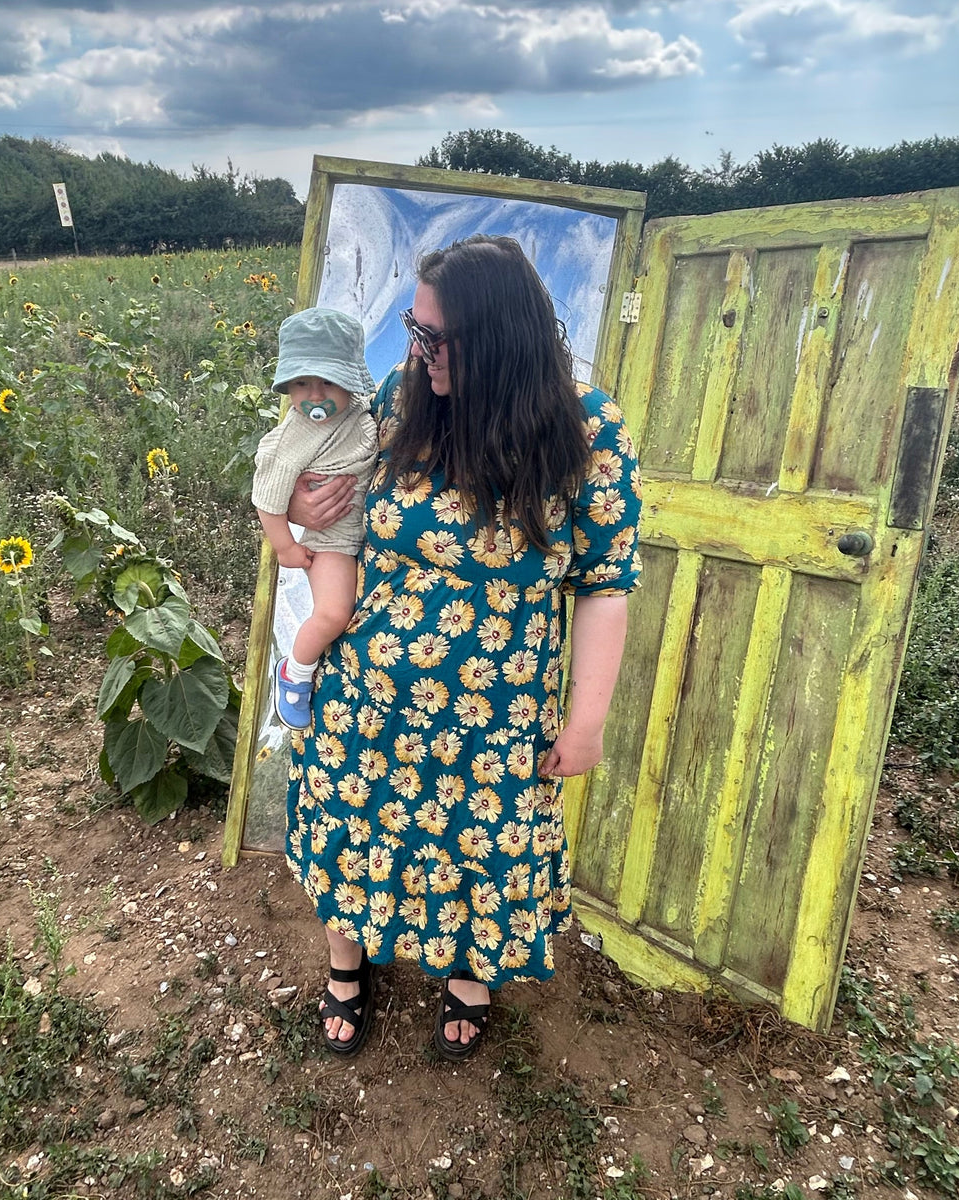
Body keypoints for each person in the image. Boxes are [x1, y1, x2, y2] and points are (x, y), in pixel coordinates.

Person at [284, 235, 642, 1060]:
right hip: (367, 691)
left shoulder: (589, 429)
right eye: (414, 327)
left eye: (434, 338)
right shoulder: (408, 398)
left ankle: (466, 975)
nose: (417, 351)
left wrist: (586, 723)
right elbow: (316, 476)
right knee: (351, 827)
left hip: (494, 711)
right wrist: (304, 495)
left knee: (476, 850)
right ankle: (347, 970)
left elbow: (605, 587)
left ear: (497, 341)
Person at [252, 308, 377, 729]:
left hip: (372, 530)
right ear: (287, 385)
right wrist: (285, 545)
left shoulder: (361, 407)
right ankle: (295, 672)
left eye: (328, 381)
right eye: (302, 383)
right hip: (334, 537)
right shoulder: (293, 436)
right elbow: (267, 495)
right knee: (333, 613)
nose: (315, 394)